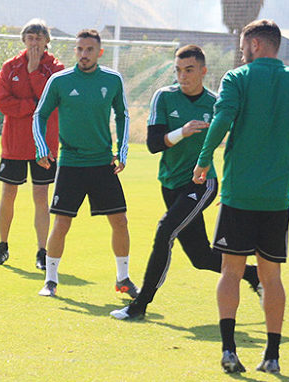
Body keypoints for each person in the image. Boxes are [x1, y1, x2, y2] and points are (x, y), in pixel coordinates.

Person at [192, 20, 289, 374]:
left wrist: (204, 160)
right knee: (272, 277)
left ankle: (228, 351)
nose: (241, 53)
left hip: (239, 195)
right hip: (276, 197)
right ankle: (272, 356)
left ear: (254, 44)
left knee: (231, 271)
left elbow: (222, 120)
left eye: (242, 47)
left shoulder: (237, 79)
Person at [110, 45, 261, 321]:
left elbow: (238, 144)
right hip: (170, 183)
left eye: (189, 70)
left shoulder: (216, 103)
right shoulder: (164, 97)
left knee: (164, 230)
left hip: (202, 182)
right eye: (178, 70)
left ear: (203, 71)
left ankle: (140, 304)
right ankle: (254, 275)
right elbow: (155, 144)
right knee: (201, 257)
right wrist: (183, 131)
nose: (183, 76)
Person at [32, 29, 137, 298]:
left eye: (89, 50)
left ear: (99, 53)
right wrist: (42, 148)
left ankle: (123, 278)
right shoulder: (60, 81)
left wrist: (121, 152)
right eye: (79, 49)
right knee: (62, 224)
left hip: (103, 162)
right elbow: (39, 115)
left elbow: (123, 115)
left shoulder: (112, 80)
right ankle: (51, 280)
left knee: (120, 221)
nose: (83, 54)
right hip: (71, 163)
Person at [0, 18, 64, 270]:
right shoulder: (10, 67)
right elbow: (3, 102)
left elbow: (53, 101)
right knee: (8, 193)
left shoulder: (56, 69)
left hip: (44, 145)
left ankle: (42, 251)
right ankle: (2, 247)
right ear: (23, 40)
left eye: (39, 39)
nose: (34, 43)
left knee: (41, 195)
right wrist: (31, 107)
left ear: (47, 42)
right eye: (30, 38)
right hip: (14, 144)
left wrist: (34, 72)